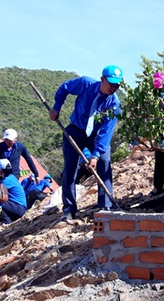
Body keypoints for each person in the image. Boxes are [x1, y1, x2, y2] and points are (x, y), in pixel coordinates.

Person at [49, 65, 123, 219]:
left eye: (117, 85)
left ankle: (106, 206)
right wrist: (56, 108)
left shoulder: (114, 105)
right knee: (70, 168)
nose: (114, 88)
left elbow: (105, 133)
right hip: (75, 130)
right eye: (111, 84)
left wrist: (94, 156)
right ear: (102, 79)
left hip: (96, 135)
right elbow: (64, 88)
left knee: (104, 162)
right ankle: (69, 209)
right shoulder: (85, 83)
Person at [0, 159, 27, 223]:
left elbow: (1, 196)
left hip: (18, 208)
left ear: (0, 170)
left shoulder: (6, 181)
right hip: (20, 207)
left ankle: (6, 221)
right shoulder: (12, 177)